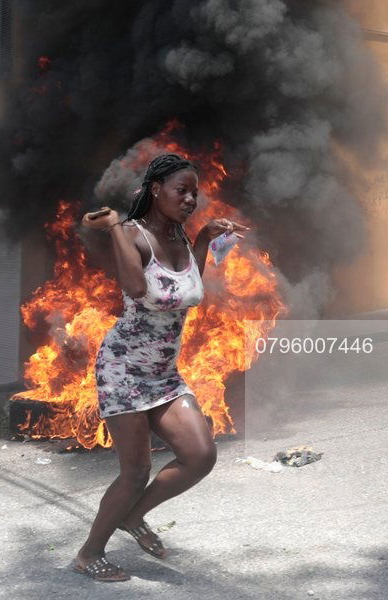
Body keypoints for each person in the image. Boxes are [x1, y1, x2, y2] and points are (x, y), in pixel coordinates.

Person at [74, 154, 248, 582]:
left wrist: (206, 236)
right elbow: (136, 287)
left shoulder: (182, 238)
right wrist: (114, 225)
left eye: (195, 192)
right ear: (156, 189)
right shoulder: (132, 234)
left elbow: (190, 287)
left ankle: (133, 517)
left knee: (200, 455)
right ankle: (89, 552)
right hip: (125, 368)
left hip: (164, 374)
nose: (191, 198)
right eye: (181, 190)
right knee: (135, 472)